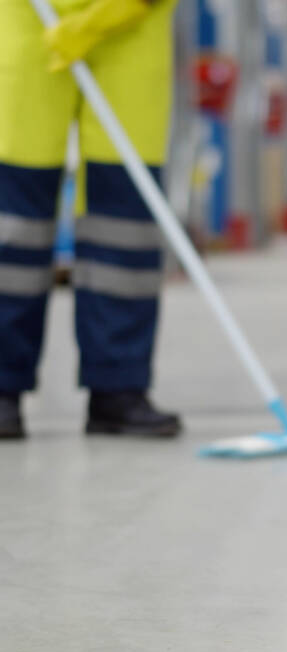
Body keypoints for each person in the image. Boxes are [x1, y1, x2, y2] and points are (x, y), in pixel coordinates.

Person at [0, 0, 180, 439]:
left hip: (135, 21)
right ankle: (1, 386)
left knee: (125, 223)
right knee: (12, 220)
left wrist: (106, 16)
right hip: (29, 18)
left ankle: (118, 387)